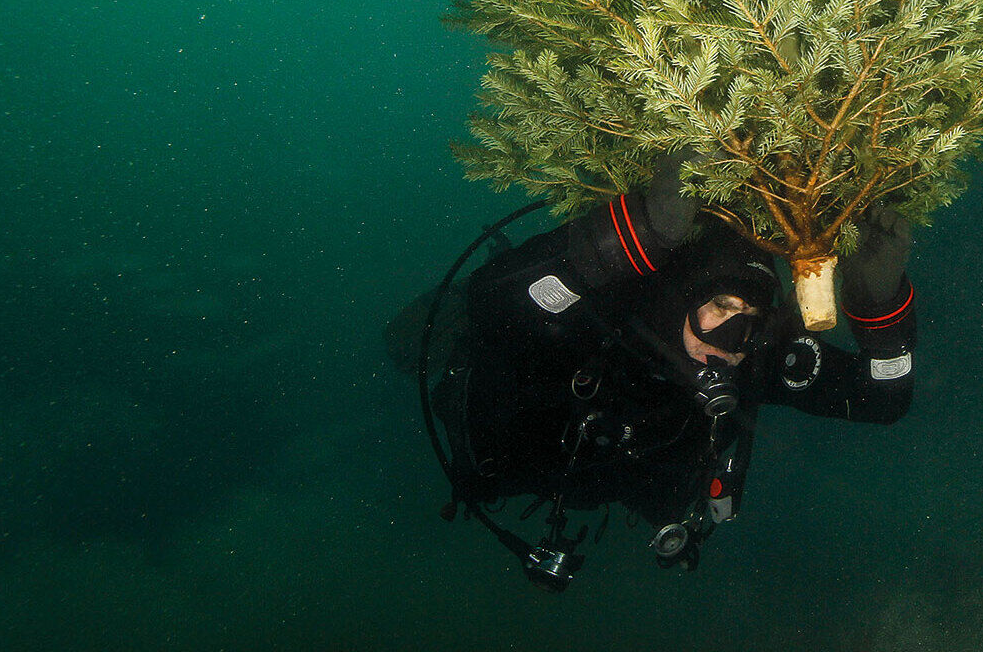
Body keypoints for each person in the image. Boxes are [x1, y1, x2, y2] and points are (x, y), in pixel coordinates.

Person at [386, 151, 918, 589]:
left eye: (751, 321)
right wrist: (634, 235)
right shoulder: (612, 307)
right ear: (679, 300)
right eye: (721, 309)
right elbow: (492, 299)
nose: (731, 345)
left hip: (631, 482)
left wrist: (879, 314)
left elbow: (881, 400)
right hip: (516, 450)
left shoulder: (754, 355)